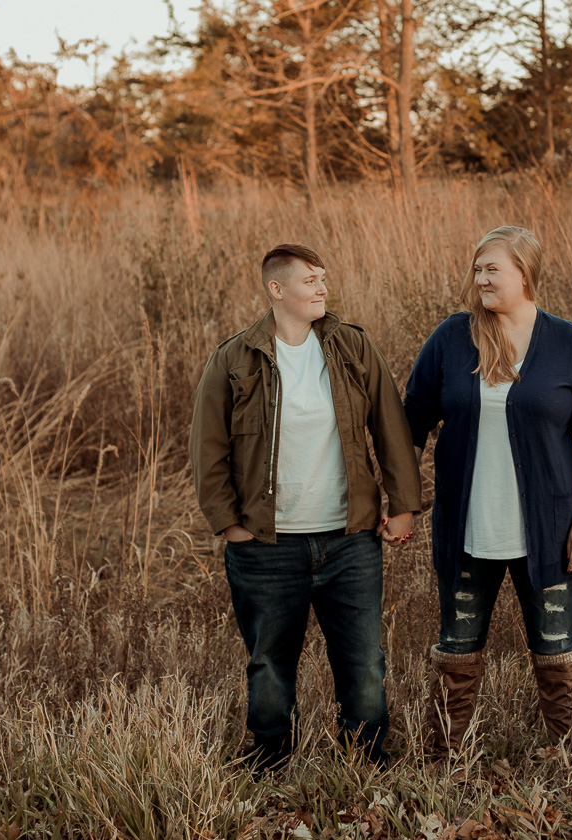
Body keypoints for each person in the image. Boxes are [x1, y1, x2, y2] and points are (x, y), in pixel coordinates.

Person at [190, 243, 420, 771]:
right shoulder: (234, 358)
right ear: (277, 289)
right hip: (265, 546)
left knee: (364, 664)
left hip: (349, 540)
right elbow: (208, 447)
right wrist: (229, 525)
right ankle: (271, 758)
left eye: (323, 278)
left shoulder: (352, 347)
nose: (322, 287)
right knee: (269, 664)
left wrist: (403, 504)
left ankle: (365, 757)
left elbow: (390, 425)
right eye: (310, 280)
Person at [404, 225, 572, 758]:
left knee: (556, 649)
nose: (479, 278)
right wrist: (400, 503)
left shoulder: (568, 343)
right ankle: (442, 763)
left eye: (491, 269)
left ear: (525, 274)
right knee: (456, 648)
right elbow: (407, 425)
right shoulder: (452, 339)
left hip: (548, 532)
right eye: (476, 268)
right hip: (467, 528)